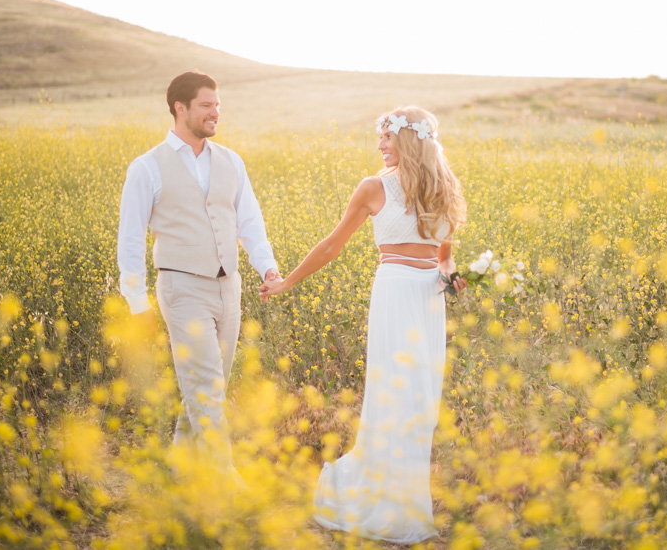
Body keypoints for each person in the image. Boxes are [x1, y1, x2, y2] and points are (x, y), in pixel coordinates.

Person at [260, 106, 467, 543]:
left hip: (428, 296)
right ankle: (381, 500)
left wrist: (451, 276)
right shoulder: (373, 188)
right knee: (394, 394)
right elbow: (333, 244)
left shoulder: (443, 188)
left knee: (421, 401)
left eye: (386, 138)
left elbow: (443, 254)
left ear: (409, 141)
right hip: (393, 292)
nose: (380, 146)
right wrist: (289, 283)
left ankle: (407, 503)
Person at [117, 70, 282, 476]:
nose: (215, 113)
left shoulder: (231, 161)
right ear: (180, 108)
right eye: (207, 105)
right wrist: (137, 302)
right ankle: (223, 485)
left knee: (207, 387)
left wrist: (268, 266)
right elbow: (131, 239)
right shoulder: (147, 168)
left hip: (230, 287)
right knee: (206, 388)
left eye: (218, 105)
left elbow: (249, 222)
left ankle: (179, 471)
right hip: (182, 287)